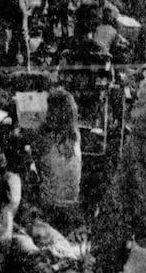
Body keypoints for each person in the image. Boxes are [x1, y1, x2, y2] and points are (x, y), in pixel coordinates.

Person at [32, 88, 82, 233]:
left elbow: (37, 165)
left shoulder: (44, 138)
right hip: (72, 208)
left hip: (51, 208)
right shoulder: (75, 136)